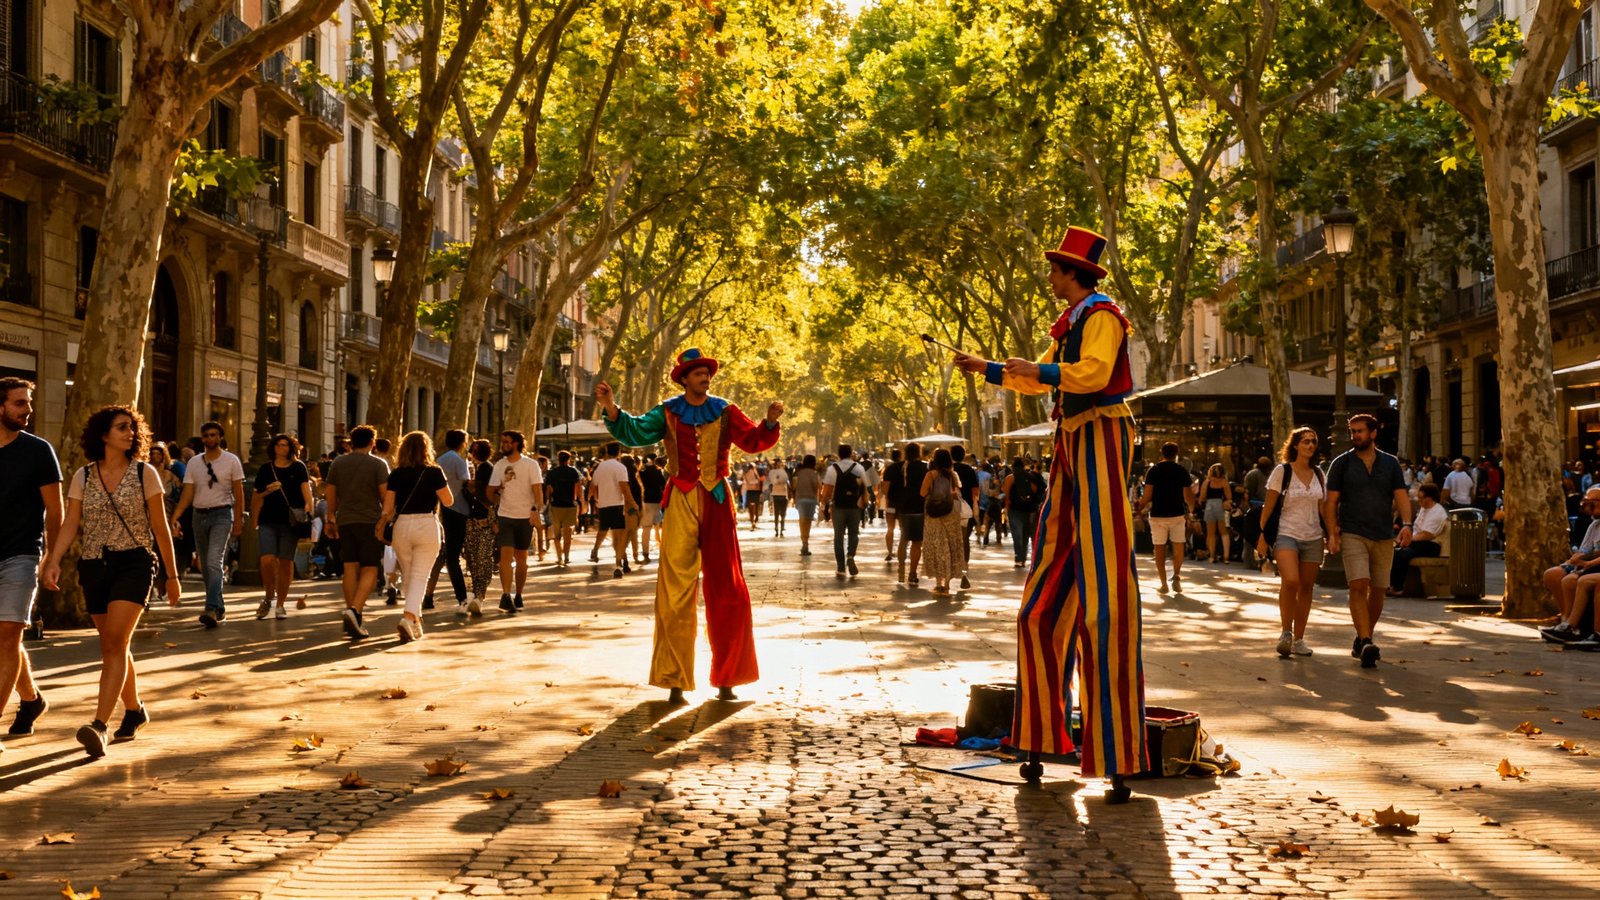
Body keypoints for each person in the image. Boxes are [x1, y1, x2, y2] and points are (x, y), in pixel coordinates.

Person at [953, 225, 1145, 802]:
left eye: (1054, 270)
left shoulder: (1103, 316)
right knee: (1038, 613)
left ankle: (1116, 753)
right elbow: (1036, 379)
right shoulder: (1071, 321)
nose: (1048, 278)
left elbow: (1092, 374)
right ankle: (1040, 735)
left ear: (1072, 274)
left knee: (1106, 605)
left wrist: (1044, 373)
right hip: (1069, 444)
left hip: (1103, 439)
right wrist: (986, 368)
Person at [596, 347, 782, 702]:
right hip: (680, 496)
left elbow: (753, 440)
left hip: (717, 498)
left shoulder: (725, 410)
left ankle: (728, 679)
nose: (705, 377)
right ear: (684, 378)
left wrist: (770, 422)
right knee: (675, 588)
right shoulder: (667, 411)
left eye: (706, 372)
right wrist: (611, 408)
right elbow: (634, 432)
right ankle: (674, 679)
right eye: (697, 372)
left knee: (727, 586)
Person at [43, 406, 181, 757]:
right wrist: (53, 560)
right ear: (103, 435)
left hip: (134, 563)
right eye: (122, 427)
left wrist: (172, 574)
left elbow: (160, 527)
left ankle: (99, 725)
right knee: (114, 644)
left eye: (133, 428)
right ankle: (134, 711)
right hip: (94, 566)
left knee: (115, 643)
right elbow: (71, 523)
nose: (130, 433)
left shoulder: (144, 473)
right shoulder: (83, 476)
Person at [1326, 413, 1413, 669]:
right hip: (1353, 532)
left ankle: (1364, 637)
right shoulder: (1341, 463)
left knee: (1378, 589)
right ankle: (1365, 640)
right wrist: (1332, 532)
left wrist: (1407, 525)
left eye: (1360, 431)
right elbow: (1331, 502)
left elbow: (1401, 497)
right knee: (1358, 585)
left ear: (1373, 433)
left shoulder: (1391, 463)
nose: (1355, 436)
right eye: (1352, 432)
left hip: (1384, 534)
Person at [0, 378, 60, 743]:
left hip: (22, 555)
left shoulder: (39, 451)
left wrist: (51, 555)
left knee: (8, 635)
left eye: (28, 403)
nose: (28, 410)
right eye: (20, 403)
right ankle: (31, 699)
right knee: (5, 637)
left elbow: (55, 510)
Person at [1256, 427, 1334, 658]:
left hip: (1313, 537)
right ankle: (1285, 633)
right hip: (1285, 534)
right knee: (1290, 581)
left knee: (1307, 587)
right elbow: (1268, 507)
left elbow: (1323, 508)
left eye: (1313, 441)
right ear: (1295, 445)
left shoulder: (1320, 474)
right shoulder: (1283, 471)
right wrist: (1263, 535)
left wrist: (1330, 534)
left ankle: (1299, 639)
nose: (1310, 445)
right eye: (1305, 441)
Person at [375, 432, 452, 642]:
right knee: (419, 576)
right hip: (427, 524)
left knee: (410, 576)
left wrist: (382, 524)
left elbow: (388, 508)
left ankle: (416, 623)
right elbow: (448, 501)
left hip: (402, 526)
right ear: (427, 449)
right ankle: (408, 618)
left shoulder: (397, 473)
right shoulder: (434, 471)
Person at [169, 421, 244, 627]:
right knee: (206, 565)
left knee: (213, 561)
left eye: (213, 435)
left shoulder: (231, 461)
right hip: (198, 516)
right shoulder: (194, 462)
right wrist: (175, 515)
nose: (210, 439)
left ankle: (210, 608)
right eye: (206, 436)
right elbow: (188, 493)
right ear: (202, 439)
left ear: (220, 437)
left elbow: (238, 493)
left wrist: (238, 520)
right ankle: (218, 607)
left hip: (222, 515)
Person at [324, 425, 390, 639]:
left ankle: (353, 613)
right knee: (370, 567)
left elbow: (330, 492)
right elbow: (384, 495)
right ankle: (355, 611)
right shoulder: (378, 464)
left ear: (351, 442)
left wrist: (331, 518)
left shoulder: (338, 462)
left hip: (345, 520)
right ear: (373, 442)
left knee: (349, 566)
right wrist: (386, 518)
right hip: (370, 521)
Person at [250, 433, 314, 620]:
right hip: (267, 520)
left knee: (286, 561)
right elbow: (256, 497)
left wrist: (309, 507)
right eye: (278, 444)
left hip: (290, 521)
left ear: (291, 448)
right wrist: (268, 491)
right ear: (273, 447)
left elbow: (306, 491)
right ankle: (269, 595)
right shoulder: (265, 469)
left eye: (285, 445)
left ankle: (280, 604)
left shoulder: (298, 467)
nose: (281, 448)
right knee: (267, 560)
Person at [488, 430, 544, 613]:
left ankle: (518, 594)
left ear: (517, 444)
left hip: (525, 517)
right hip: (505, 516)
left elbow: (538, 491)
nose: (503, 444)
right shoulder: (499, 465)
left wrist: (536, 510)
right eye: (502, 441)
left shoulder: (530, 465)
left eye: (507, 442)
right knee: (505, 557)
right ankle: (505, 595)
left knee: (522, 559)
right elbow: (490, 491)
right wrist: (496, 496)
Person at [1539, 487, 1600, 642]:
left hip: (1594, 565)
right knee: (1554, 575)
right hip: (1590, 563)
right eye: (1586, 501)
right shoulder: (1594, 525)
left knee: (1577, 580)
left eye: (1591, 502)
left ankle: (1575, 626)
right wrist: (1575, 561)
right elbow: (1584, 550)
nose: (1587, 506)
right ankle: (1567, 622)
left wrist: (1588, 563)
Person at [424, 429, 472, 617]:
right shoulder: (459, 461)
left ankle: (428, 594)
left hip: (441, 511)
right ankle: (463, 596)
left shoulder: (439, 460)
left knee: (441, 555)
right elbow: (467, 485)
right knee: (455, 556)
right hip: (459, 510)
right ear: (462, 442)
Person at [1135, 442, 1194, 595]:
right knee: (1178, 545)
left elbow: (1147, 496)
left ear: (1162, 453)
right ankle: (1176, 576)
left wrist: (1139, 508)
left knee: (1159, 548)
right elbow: (1188, 496)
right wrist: (1192, 511)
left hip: (1158, 515)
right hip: (1177, 513)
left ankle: (1163, 584)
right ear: (1176, 454)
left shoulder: (1153, 471)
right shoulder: (1182, 471)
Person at [1388, 483, 1449, 597]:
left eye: (1421, 498)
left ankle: (1398, 587)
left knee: (1402, 552)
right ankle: (1393, 585)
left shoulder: (1437, 512)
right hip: (1417, 541)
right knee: (1400, 553)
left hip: (1431, 544)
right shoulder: (1424, 508)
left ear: (1429, 498)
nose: (1418, 500)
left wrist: (1409, 540)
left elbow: (1428, 534)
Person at [919, 447, 965, 596]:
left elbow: (922, 492)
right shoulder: (953, 475)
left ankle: (940, 583)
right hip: (951, 512)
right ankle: (948, 584)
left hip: (934, 513)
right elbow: (957, 493)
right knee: (951, 545)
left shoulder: (931, 474)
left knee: (938, 545)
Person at [589, 442, 636, 579]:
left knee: (603, 531)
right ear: (619, 452)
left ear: (606, 452)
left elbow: (593, 485)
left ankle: (599, 550)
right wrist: (633, 503)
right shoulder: (620, 467)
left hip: (603, 505)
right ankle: (618, 565)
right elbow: (624, 487)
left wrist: (593, 499)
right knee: (619, 536)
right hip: (617, 505)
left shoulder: (600, 467)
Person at [820, 444, 869, 578]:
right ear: (851, 454)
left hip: (838, 507)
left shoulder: (832, 469)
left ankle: (841, 567)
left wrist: (824, 505)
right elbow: (865, 487)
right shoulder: (859, 468)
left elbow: (827, 491)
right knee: (854, 534)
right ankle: (850, 555)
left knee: (838, 536)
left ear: (839, 454)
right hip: (854, 507)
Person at [462, 439, 498, 612]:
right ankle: (477, 594)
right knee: (475, 558)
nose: (473, 451)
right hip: (476, 518)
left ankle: (479, 594)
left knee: (481, 558)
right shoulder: (480, 468)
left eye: (476, 449)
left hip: (483, 518)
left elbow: (488, 496)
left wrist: (469, 488)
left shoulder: (486, 468)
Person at [893, 442, 929, 586]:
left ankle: (901, 569)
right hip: (920, 507)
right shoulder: (925, 467)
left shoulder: (898, 467)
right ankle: (913, 572)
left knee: (904, 538)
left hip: (903, 507)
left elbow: (891, 489)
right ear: (919, 452)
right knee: (917, 542)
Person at [544, 449, 583, 567]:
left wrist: (548, 500)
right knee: (568, 534)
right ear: (569, 459)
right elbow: (578, 488)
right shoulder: (573, 472)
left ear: (558, 459)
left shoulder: (552, 473)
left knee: (557, 535)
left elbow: (548, 490)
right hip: (570, 506)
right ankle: (566, 557)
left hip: (556, 506)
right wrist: (579, 501)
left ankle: (559, 556)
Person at [1003, 458, 1043, 569]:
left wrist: (1007, 510)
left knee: (1017, 535)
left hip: (1015, 510)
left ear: (1012, 467)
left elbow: (1006, 494)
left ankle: (1019, 558)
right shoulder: (1031, 477)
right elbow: (1037, 492)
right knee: (1026, 535)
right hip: (1030, 509)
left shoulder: (1010, 478)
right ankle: (1025, 558)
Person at [951, 446, 979, 590]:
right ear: (963, 456)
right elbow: (975, 491)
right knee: (964, 538)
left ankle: (952, 564)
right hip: (966, 509)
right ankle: (964, 563)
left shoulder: (947, 469)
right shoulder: (969, 470)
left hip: (949, 508)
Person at [1199, 463, 1232, 565]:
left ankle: (1212, 556)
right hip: (1220, 506)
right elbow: (1229, 496)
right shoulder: (1224, 482)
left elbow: (1202, 497)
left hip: (1209, 506)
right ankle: (1226, 557)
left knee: (1211, 534)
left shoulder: (1207, 482)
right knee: (1224, 532)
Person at [792, 455, 822, 556]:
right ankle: (806, 543)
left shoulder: (799, 473)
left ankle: (804, 542)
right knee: (808, 522)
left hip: (800, 499)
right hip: (811, 499)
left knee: (802, 521)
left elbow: (794, 485)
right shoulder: (815, 473)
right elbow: (819, 486)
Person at [640, 453, 666, 562]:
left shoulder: (642, 472)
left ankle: (645, 553)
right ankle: (662, 550)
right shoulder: (658, 471)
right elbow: (663, 485)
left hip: (646, 501)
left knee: (646, 529)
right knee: (659, 528)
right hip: (658, 501)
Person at [879, 448, 902, 561]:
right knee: (904, 529)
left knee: (890, 528)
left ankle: (890, 552)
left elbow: (884, 489)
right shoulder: (905, 467)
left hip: (891, 503)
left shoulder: (888, 470)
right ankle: (901, 550)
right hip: (903, 503)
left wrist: (886, 500)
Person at [766, 461, 791, 537]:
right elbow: (788, 483)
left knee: (776, 513)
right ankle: (781, 527)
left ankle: (777, 528)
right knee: (783, 513)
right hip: (783, 495)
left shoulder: (772, 473)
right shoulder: (784, 473)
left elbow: (770, 483)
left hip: (776, 494)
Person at [741, 463, 764, 530]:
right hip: (755, 491)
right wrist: (760, 480)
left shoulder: (747, 473)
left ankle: (752, 521)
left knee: (751, 507)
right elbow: (753, 481)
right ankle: (754, 521)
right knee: (755, 507)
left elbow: (746, 482)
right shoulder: (753, 472)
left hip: (749, 491)